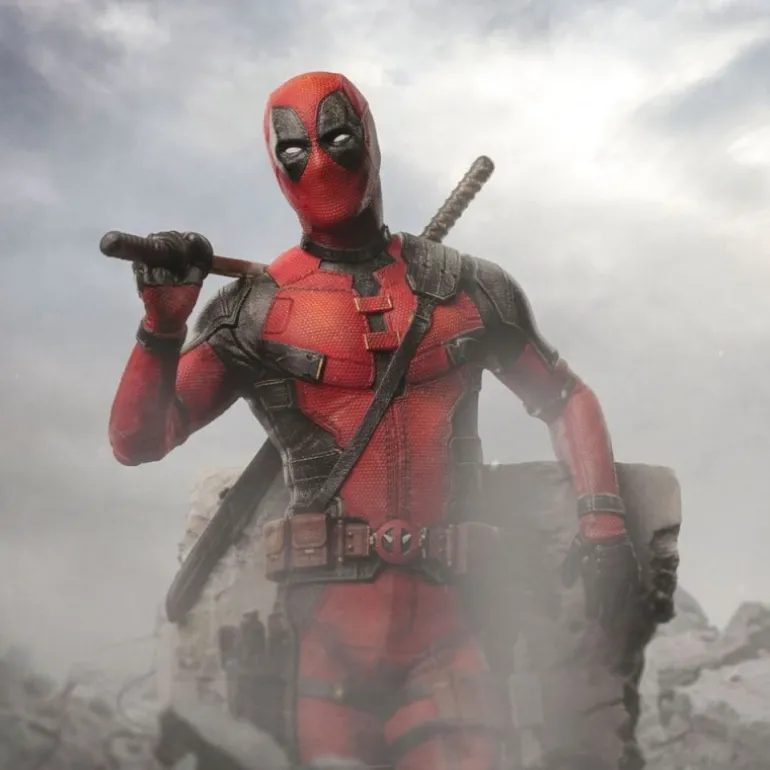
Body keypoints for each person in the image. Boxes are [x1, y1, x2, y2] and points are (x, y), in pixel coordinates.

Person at [109, 71, 640, 770]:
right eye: (294, 149)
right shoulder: (255, 309)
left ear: (369, 139)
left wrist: (603, 524)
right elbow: (140, 441)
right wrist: (160, 328)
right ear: (275, 165)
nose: (318, 162)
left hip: (453, 631)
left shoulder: (468, 287)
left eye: (335, 137)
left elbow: (564, 398)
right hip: (325, 641)